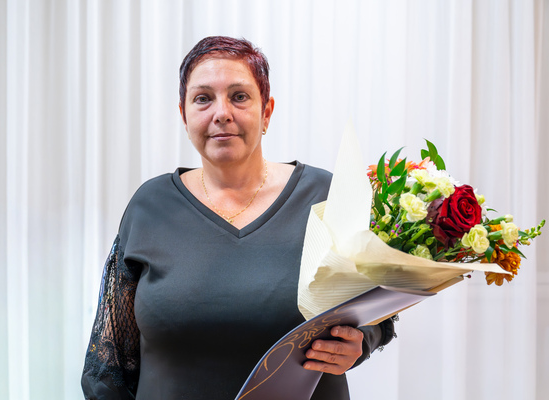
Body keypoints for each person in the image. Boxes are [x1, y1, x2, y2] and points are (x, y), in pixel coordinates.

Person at [81, 36, 395, 400]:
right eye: (203, 98)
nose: (221, 113)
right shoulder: (149, 204)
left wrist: (361, 342)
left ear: (266, 112)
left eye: (239, 96)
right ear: (183, 115)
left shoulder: (325, 195)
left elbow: (379, 311)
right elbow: (110, 359)